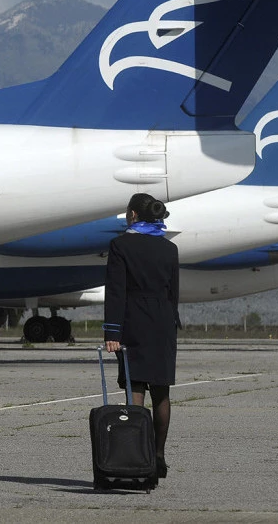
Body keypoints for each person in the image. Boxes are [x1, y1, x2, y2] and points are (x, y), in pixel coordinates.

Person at [102, 193, 180, 480]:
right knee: (161, 392)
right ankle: (158, 456)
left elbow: (116, 291)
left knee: (135, 390)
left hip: (134, 320)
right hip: (163, 322)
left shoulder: (121, 245)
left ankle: (137, 457)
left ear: (133, 215)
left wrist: (112, 331)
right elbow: (173, 292)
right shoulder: (169, 248)